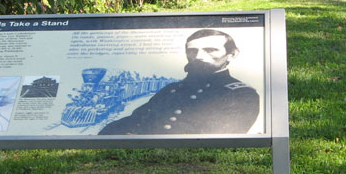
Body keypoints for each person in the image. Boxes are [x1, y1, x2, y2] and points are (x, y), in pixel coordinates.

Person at [98, 29, 259, 135]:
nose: (199, 56)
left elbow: (219, 139)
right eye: (192, 51)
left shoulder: (240, 94)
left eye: (210, 50)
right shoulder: (172, 90)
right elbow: (137, 119)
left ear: (231, 54)